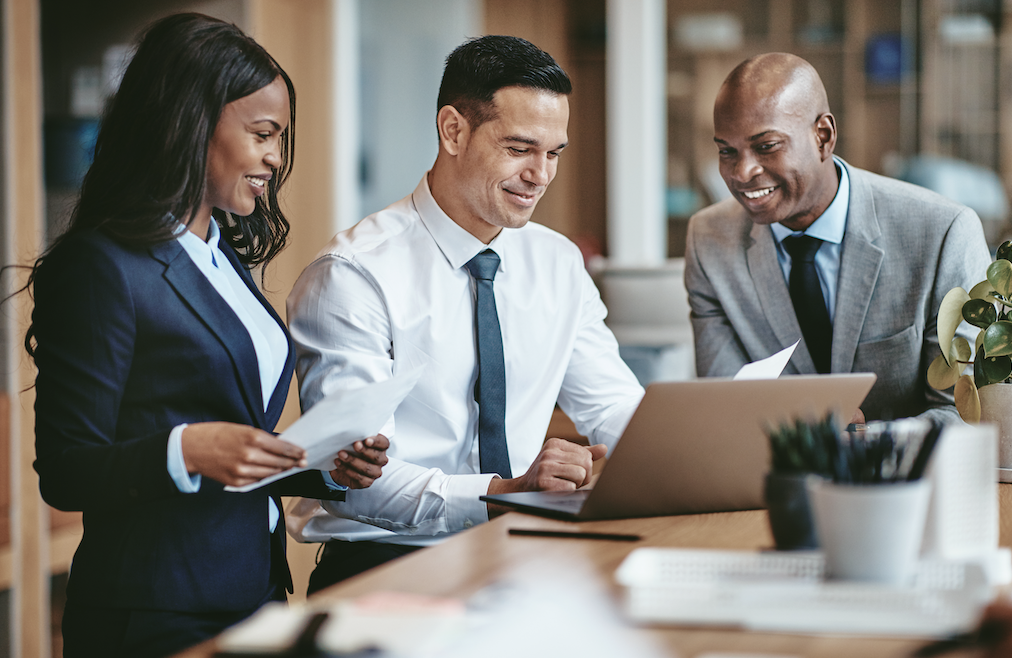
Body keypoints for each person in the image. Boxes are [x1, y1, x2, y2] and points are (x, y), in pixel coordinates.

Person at [27, 13, 389, 658]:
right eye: (262, 134)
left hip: (255, 592)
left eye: (280, 138)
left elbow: (230, 436)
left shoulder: (223, 259)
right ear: (191, 123)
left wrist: (321, 465)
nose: (276, 158)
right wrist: (186, 449)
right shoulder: (102, 267)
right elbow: (66, 470)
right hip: (153, 613)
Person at [286, 34, 645, 593]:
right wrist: (507, 492)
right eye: (520, 148)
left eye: (553, 153)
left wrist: (682, 456)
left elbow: (612, 405)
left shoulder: (557, 263)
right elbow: (357, 482)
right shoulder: (354, 274)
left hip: (526, 561)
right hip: (387, 572)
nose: (541, 175)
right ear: (453, 130)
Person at [684, 52, 990, 424]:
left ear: (823, 137)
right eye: (727, 151)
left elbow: (964, 413)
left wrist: (865, 444)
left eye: (766, 146)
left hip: (907, 478)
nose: (742, 172)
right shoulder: (708, 240)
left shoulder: (943, 233)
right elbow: (726, 406)